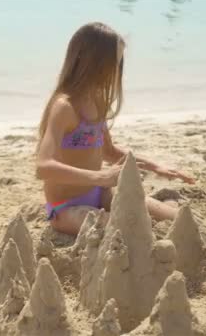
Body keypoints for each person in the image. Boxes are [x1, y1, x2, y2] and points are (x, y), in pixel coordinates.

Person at [36, 22, 196, 235]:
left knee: (176, 219)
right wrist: (100, 177)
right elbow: (43, 166)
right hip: (65, 208)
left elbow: (108, 151)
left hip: (100, 193)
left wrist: (155, 166)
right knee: (125, 231)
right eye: (115, 63)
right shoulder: (65, 107)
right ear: (94, 62)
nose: (118, 71)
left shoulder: (98, 101)